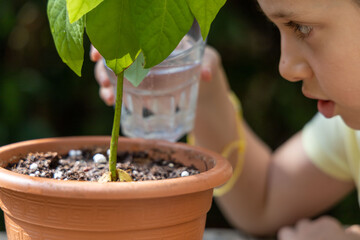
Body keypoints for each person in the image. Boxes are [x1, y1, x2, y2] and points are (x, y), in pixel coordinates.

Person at [90, 0, 360, 239]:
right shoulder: (350, 130)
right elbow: (264, 200)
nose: (285, 67)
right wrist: (204, 91)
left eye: (301, 28)